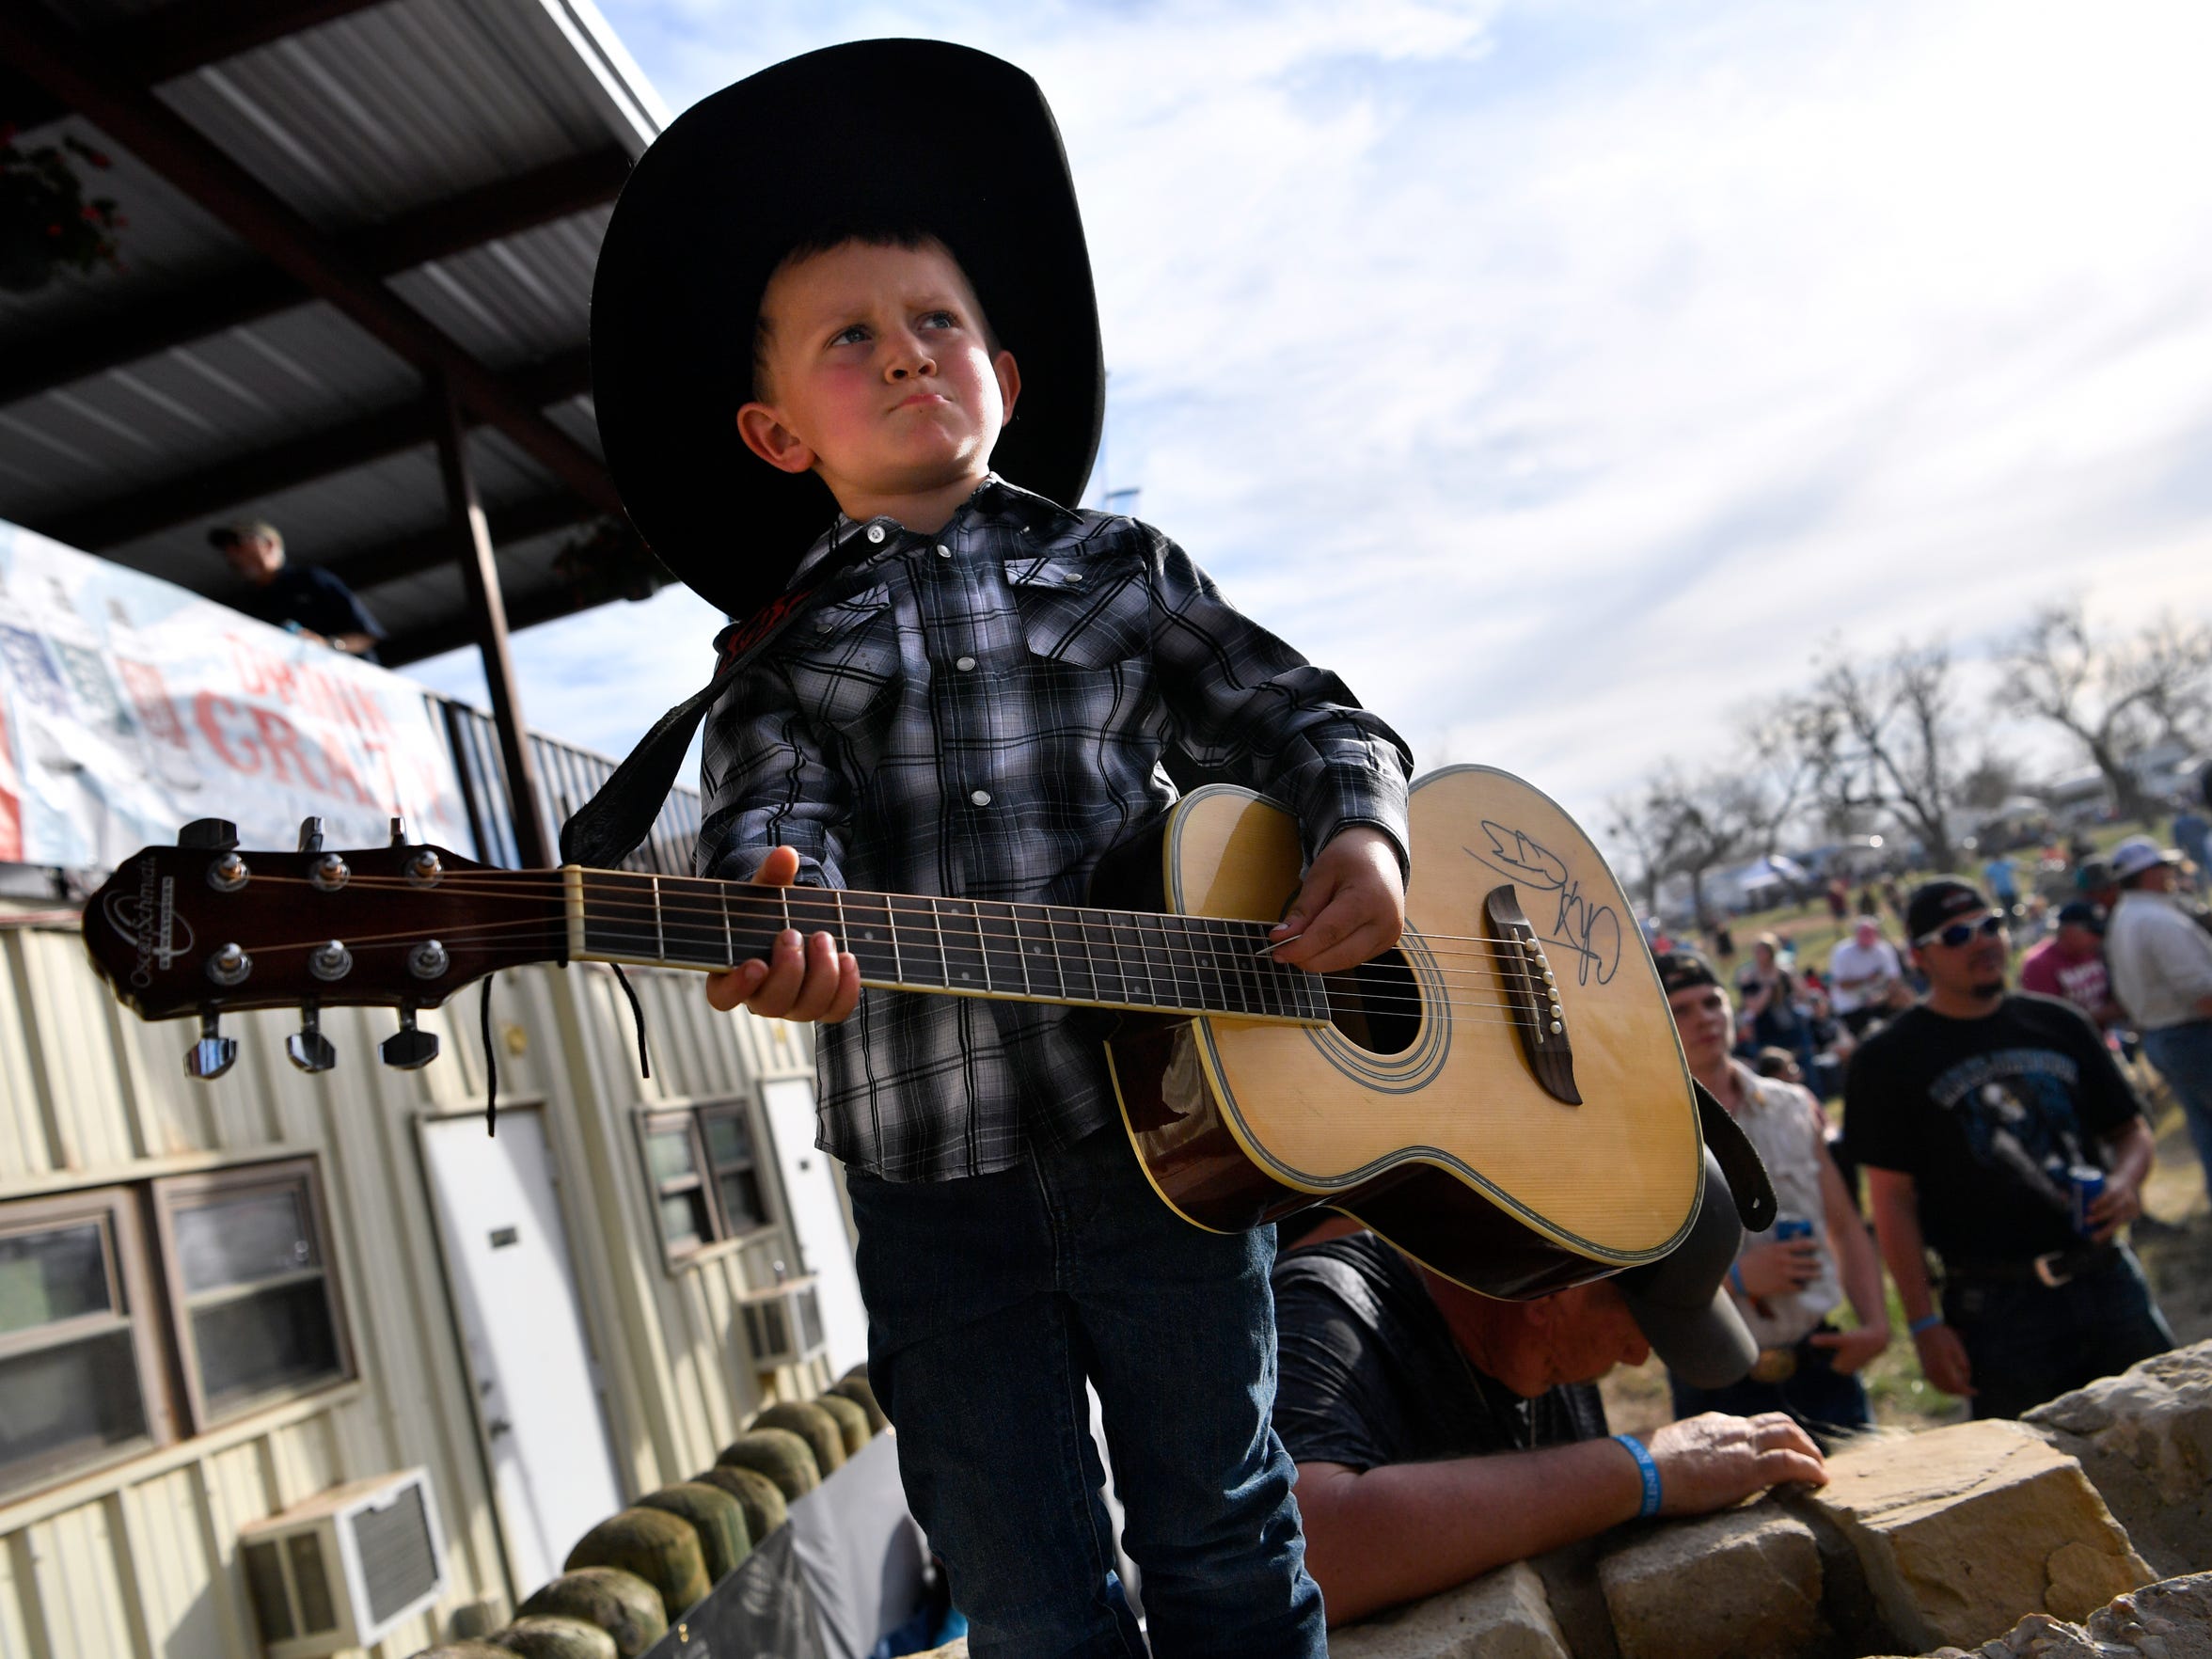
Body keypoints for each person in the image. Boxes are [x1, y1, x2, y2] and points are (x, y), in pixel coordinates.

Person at [590, 42, 1416, 1654]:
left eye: (937, 324)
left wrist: (1363, 834)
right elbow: (776, 828)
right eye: (851, 339)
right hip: (929, 1181)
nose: (905, 355)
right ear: (775, 431)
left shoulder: (1121, 567)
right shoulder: (776, 651)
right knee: (1022, 1580)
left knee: (1227, 1521)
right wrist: (786, 914)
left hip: (1173, 1144)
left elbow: (1311, 719)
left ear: (1005, 376)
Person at [1272, 1181, 1825, 1625]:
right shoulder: (1324, 1313)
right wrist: (1643, 1469)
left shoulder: (1542, 1349)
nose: (1637, 1358)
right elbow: (1306, 1553)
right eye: (1639, 1327)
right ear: (1558, 1290)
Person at [1847, 880, 2170, 1420]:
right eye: (1957, 934)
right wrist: (1924, 1324)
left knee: (2173, 1446)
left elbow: (2129, 1130)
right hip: (1995, 1309)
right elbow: (1891, 1201)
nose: (1984, 941)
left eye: (1992, 924)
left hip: (2108, 1276)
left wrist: (2125, 1183)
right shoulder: (1887, 1059)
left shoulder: (2060, 1023)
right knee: (2041, 1485)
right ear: (1919, 957)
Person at [1657, 951, 1888, 1443]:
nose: (1703, 1019)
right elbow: (1641, 1276)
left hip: (1822, 1363)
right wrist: (1737, 1281)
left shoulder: (1790, 1106)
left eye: (1711, 1002)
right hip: (1718, 1381)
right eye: (1680, 1010)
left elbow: (1845, 1224)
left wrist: (1874, 1324)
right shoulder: (1647, 1131)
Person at [2104, 836, 2212, 1187]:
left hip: (2163, 1037)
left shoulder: (2125, 915)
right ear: (2148, 873)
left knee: (2205, 1128)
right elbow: (2202, 993)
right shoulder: (2155, 919)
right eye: (2161, 866)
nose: (2167, 872)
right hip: (2191, 1036)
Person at [208, 519, 384, 661]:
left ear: (269, 544)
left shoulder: (311, 580)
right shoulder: (249, 605)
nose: (231, 553)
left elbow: (368, 636)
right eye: (226, 550)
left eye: (238, 543)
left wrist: (327, 645)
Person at [2017, 902, 2125, 1034]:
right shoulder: (2039, 963)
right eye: (2093, 932)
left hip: (2107, 1037)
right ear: (2069, 930)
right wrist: (2105, 1014)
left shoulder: (2094, 952)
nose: (2098, 938)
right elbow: (2049, 1020)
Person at [1737, 933, 1817, 1078]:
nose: (1760, 955)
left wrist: (1790, 975)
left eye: (1763, 951)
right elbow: (1754, 1009)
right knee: (1774, 1073)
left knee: (1805, 1068)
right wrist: (1769, 985)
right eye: (1757, 952)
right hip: (1768, 1032)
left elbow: (1803, 994)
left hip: (1793, 1029)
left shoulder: (1785, 972)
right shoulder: (1749, 978)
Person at [1827, 917, 1904, 1038]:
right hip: (1851, 1006)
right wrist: (1867, 979)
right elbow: (1841, 984)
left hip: (1880, 1000)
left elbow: (1894, 978)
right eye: (1864, 934)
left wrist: (1882, 996)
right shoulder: (1842, 952)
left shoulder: (1884, 949)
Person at [1984, 851, 2020, 916]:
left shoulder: (2006, 864)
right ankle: (2011, 924)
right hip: (2001, 892)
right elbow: (1987, 881)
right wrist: (1990, 892)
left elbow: (2017, 866)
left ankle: (2017, 922)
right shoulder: (1991, 868)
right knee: (2006, 909)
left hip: (2010, 890)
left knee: (2015, 908)